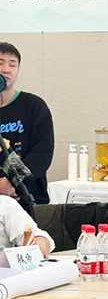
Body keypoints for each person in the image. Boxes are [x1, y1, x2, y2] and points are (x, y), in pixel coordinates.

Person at [0, 43, 54, 208]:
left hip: (28, 202)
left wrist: (11, 182)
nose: (6, 69)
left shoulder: (34, 106)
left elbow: (42, 153)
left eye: (12, 64)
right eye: (0, 63)